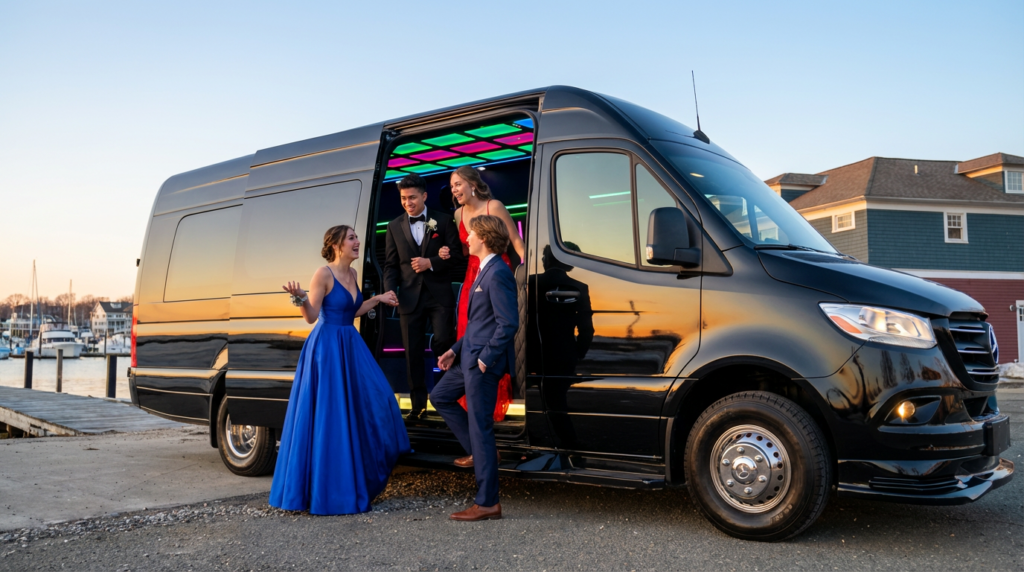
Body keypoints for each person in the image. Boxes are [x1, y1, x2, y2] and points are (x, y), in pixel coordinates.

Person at [271, 225, 408, 515]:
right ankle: (327, 491)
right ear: (336, 245)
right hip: (326, 349)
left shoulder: (354, 274)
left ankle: (356, 476)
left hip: (350, 344)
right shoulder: (323, 274)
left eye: (357, 237)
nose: (358, 242)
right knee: (330, 416)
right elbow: (310, 316)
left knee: (381, 398)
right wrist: (298, 297)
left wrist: (377, 299)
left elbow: (351, 310)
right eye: (352, 238)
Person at [432, 215, 519, 521]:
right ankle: (481, 453)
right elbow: (478, 324)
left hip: (482, 364)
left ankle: (487, 503)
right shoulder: (483, 270)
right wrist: (453, 351)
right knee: (440, 396)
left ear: (484, 237)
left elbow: (508, 323)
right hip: (466, 358)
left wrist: (485, 358)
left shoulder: (498, 272)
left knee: (481, 429)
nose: (466, 239)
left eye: (470, 235)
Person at [438, 166, 525, 424]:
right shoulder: (457, 214)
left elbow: (519, 246)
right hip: (471, 278)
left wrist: (526, 280)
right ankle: (472, 409)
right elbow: (465, 251)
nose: (454, 190)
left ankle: (493, 406)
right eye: (452, 186)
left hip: (497, 272)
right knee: (470, 333)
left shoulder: (494, 206)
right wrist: (445, 251)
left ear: (473, 184)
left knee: (496, 331)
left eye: (458, 184)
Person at [383, 174, 464, 420]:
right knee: (413, 353)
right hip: (409, 297)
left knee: (444, 345)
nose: (408, 203)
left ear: (424, 196)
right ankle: (418, 406)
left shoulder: (443, 220)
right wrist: (389, 290)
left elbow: (458, 256)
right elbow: (391, 265)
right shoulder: (393, 226)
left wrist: (432, 262)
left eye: (413, 197)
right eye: (403, 199)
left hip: (439, 295)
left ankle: (447, 399)